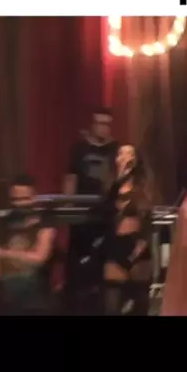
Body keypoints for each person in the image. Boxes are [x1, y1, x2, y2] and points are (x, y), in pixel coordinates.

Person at [63, 108, 119, 295]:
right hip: (82, 214)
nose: (104, 128)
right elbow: (71, 178)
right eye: (100, 123)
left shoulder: (116, 150)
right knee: (79, 259)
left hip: (107, 214)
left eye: (107, 124)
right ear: (92, 125)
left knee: (104, 257)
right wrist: (68, 207)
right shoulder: (79, 149)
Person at [0, 175, 57, 314]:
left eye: (25, 198)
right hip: (4, 294)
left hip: (34, 295)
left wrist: (1, 252)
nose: (19, 204)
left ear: (35, 198)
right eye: (15, 199)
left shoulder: (45, 224)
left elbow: (39, 257)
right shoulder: (4, 225)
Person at [97, 144, 153, 316]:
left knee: (141, 303)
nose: (126, 157)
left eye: (130, 154)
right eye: (121, 153)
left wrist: (140, 247)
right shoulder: (109, 187)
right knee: (112, 305)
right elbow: (105, 211)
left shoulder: (143, 187)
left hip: (138, 244)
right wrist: (120, 178)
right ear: (115, 159)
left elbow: (147, 220)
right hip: (116, 245)